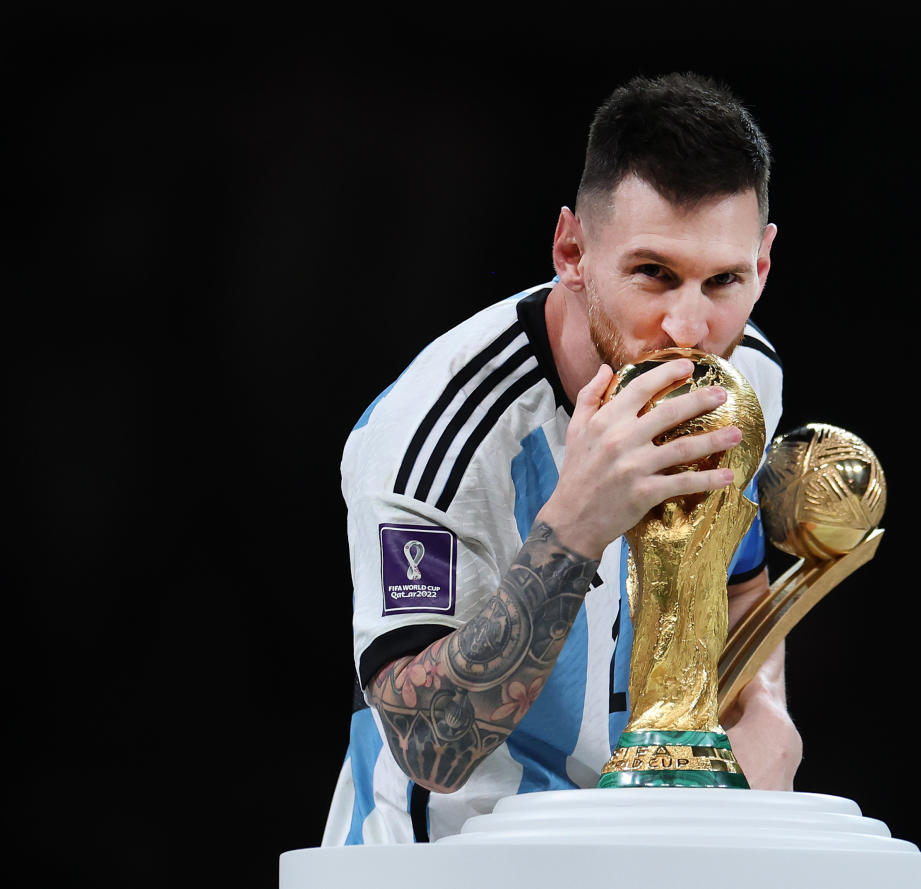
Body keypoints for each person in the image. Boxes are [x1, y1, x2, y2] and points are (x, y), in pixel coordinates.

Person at [322, 72, 802, 846]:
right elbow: (427, 746)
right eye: (654, 273)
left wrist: (763, 704)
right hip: (441, 862)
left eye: (724, 280)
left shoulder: (749, 377)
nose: (689, 326)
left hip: (624, 851)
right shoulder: (432, 432)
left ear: (765, 265)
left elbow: (739, 583)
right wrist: (577, 525)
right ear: (572, 250)